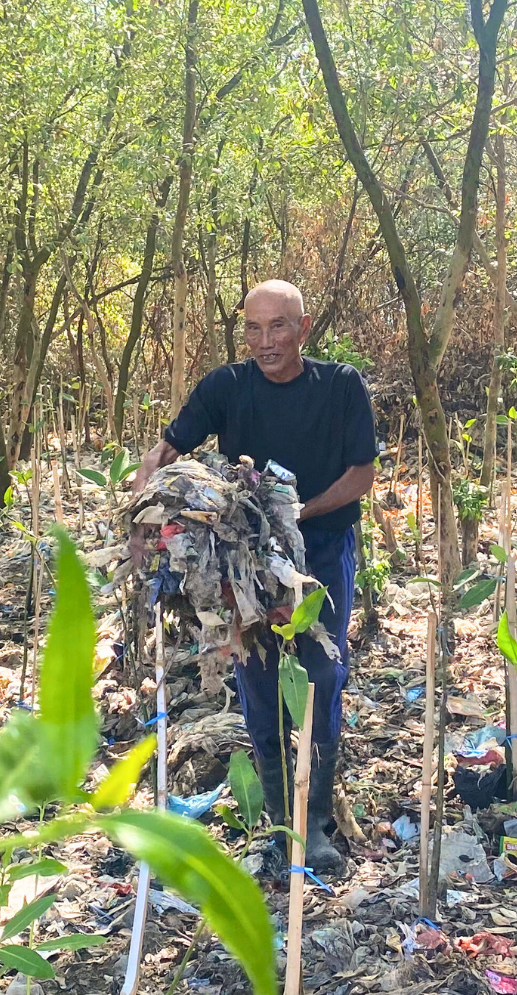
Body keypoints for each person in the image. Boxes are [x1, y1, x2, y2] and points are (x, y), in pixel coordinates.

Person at [132, 279, 375, 874]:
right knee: (258, 678)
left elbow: (361, 474)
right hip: (244, 560)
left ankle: (315, 821)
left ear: (304, 327)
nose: (265, 341)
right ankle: (276, 821)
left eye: (279, 326)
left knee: (320, 672)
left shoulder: (341, 387)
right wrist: (141, 509)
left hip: (318, 551)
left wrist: (295, 514)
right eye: (253, 328)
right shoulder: (226, 387)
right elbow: (165, 450)